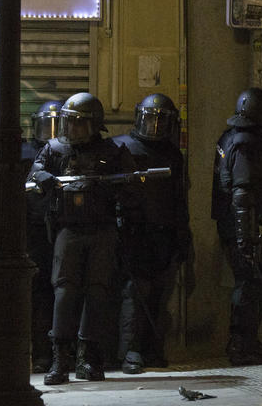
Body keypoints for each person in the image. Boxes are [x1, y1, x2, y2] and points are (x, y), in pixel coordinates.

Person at [27, 92, 139, 385]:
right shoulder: (54, 149)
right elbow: (34, 174)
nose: (71, 130)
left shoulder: (113, 152)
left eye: (78, 124)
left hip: (101, 230)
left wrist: (104, 188)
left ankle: (89, 358)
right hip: (68, 229)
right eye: (69, 123)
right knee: (64, 292)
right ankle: (59, 360)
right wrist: (45, 180)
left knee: (97, 293)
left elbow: (131, 189)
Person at [113, 93, 192, 374]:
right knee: (134, 295)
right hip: (135, 234)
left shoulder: (173, 155)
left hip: (165, 235)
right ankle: (130, 351)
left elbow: (179, 200)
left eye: (161, 122)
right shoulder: (122, 147)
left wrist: (184, 239)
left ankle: (153, 349)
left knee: (160, 295)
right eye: (150, 120)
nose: (155, 127)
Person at [212, 87, 262, 366]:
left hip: (235, 225)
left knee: (260, 280)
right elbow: (241, 192)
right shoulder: (246, 142)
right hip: (240, 226)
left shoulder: (231, 137)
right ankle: (241, 343)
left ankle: (245, 341)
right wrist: (246, 237)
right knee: (253, 282)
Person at [22, 99, 64, 374]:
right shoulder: (28, 154)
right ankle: (40, 353)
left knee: (61, 291)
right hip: (35, 233)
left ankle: (60, 352)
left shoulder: (67, 153)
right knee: (38, 295)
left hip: (62, 230)